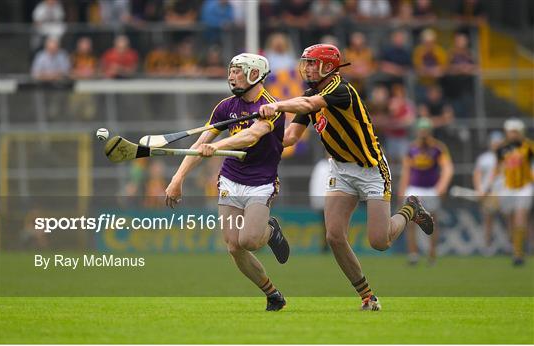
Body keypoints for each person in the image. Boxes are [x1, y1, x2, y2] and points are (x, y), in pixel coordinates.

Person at [259, 44, 434, 311]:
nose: (306, 68)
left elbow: (308, 104)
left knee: (380, 241)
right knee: (334, 236)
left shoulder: (341, 90)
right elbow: (291, 138)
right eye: (304, 63)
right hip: (340, 170)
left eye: (311, 63)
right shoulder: (309, 95)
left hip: (371, 169)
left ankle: (411, 208)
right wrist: (256, 141)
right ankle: (367, 296)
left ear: (328, 67)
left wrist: (275, 106)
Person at [165, 53, 289, 311]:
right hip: (231, 180)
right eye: (230, 70)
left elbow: (251, 136)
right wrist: (178, 179)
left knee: (250, 240)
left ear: (255, 74)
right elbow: (200, 143)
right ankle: (272, 294)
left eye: (238, 71)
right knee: (234, 246)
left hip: (261, 182)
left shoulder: (270, 107)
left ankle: (271, 230)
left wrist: (217, 146)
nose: (231, 76)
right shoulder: (225, 107)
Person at [398, 118, 454, 265]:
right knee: (410, 222)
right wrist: (402, 190)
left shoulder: (438, 148)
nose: (423, 133)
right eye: (421, 130)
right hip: (414, 188)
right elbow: (406, 172)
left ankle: (432, 254)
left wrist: (442, 186)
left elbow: (447, 168)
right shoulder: (411, 149)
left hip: (431, 189)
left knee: (432, 222)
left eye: (426, 130)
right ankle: (413, 254)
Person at [487, 118, 533, 266]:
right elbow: (497, 169)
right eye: (509, 132)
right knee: (511, 221)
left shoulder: (529, 147)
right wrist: (490, 188)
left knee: (520, 216)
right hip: (507, 188)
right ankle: (516, 249)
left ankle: (518, 253)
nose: (512, 134)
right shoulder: (501, 149)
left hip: (524, 187)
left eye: (514, 131)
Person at [473, 131, 505, 256]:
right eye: (494, 142)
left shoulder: (508, 157)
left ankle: (515, 246)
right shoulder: (484, 158)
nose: (496, 145)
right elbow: (477, 174)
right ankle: (487, 247)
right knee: (488, 221)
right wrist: (480, 190)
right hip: (488, 194)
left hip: (505, 193)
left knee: (510, 220)